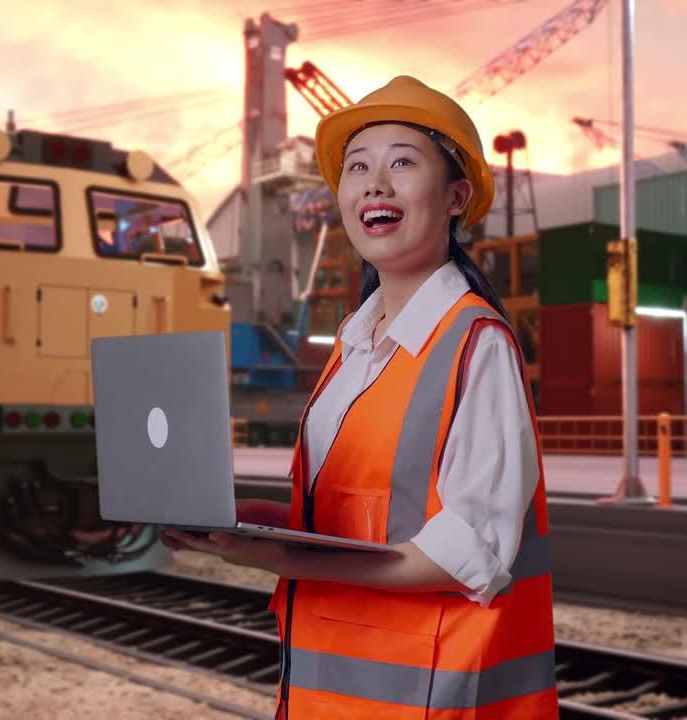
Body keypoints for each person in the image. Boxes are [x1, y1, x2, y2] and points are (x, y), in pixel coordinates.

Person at [163, 75, 556, 719]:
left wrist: (279, 555)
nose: (376, 183)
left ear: (457, 196)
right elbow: (349, 521)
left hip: (432, 701)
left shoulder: (474, 344)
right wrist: (242, 520)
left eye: (403, 162)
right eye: (357, 167)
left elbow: (468, 556)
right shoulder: (352, 351)